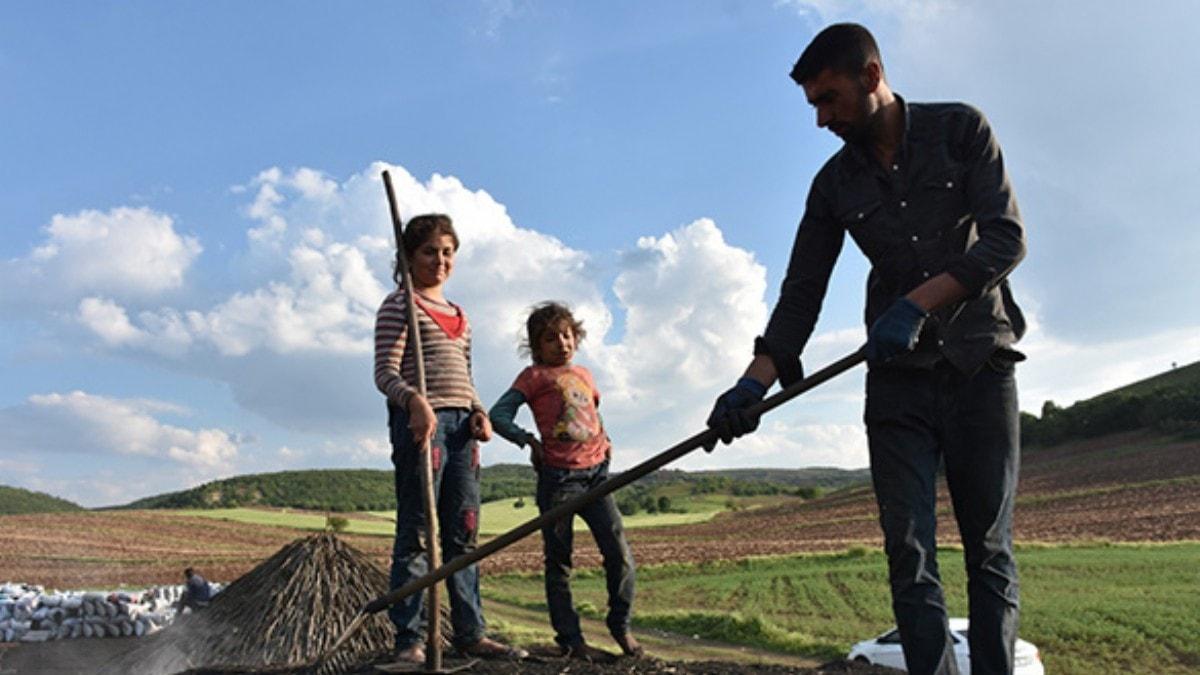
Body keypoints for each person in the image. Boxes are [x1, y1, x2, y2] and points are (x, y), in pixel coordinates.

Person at [706, 24, 1026, 675]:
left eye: (830, 100)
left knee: (987, 549)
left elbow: (1004, 240)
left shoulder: (960, 130)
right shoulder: (832, 186)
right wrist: (751, 386)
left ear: (872, 75)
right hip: (898, 381)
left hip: (977, 366)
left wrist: (916, 303)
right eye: (814, 105)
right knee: (908, 553)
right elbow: (801, 295)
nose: (822, 119)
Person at [374, 213, 525, 663]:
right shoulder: (399, 304)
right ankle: (410, 641)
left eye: (447, 252)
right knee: (419, 533)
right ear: (407, 257)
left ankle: (470, 633)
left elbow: (466, 375)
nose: (440, 260)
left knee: (464, 532)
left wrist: (479, 412)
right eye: (429, 252)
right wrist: (415, 402)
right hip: (424, 426)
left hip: (462, 430)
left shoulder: (461, 315)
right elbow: (384, 372)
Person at [489, 302, 643, 660]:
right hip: (559, 481)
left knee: (619, 553)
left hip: (597, 479)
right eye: (550, 338)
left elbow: (590, 413)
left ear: (576, 337)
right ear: (536, 346)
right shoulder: (532, 377)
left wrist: (606, 443)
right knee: (560, 562)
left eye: (566, 335)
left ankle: (620, 624)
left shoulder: (585, 374)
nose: (561, 343)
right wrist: (527, 440)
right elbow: (498, 415)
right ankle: (571, 640)